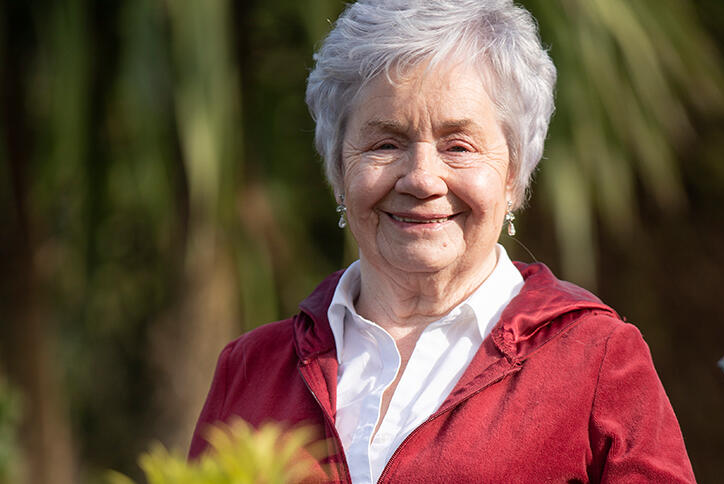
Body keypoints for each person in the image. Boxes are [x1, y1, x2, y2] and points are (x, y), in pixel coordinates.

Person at [189, 1, 696, 482]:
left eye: (459, 146)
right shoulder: (252, 367)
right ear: (339, 172)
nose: (422, 178)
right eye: (386, 143)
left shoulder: (596, 359)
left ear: (514, 176)